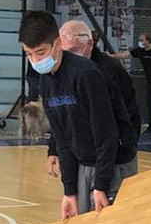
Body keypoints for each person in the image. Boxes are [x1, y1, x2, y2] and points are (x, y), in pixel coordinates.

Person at [19, 10, 117, 218]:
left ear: (57, 44)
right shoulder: (46, 81)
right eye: (29, 54)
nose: (35, 60)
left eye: (41, 52)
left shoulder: (86, 74)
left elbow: (106, 134)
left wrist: (101, 185)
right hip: (82, 164)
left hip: (110, 165)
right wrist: (69, 191)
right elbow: (62, 137)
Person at [56, 19, 139, 200]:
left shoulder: (107, 71)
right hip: (85, 157)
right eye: (65, 52)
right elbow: (63, 116)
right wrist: (53, 150)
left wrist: (124, 148)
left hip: (115, 157)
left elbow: (118, 120)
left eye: (74, 51)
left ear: (89, 45)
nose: (69, 58)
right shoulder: (65, 71)